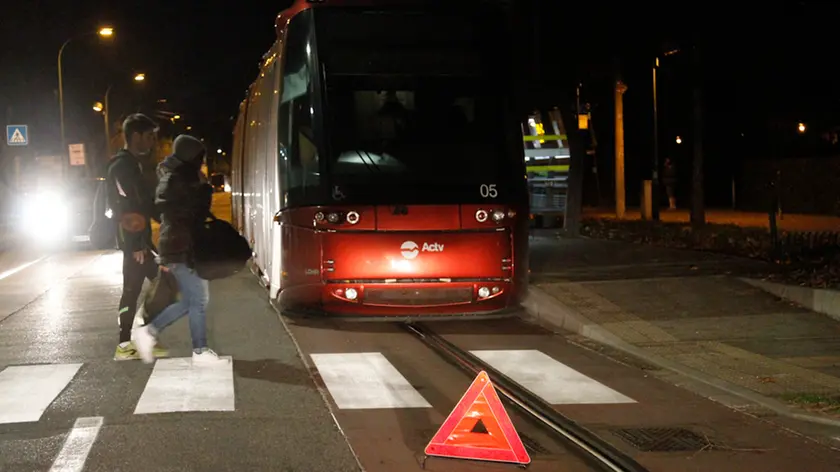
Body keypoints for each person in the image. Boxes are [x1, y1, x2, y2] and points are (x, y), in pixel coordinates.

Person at [133, 134, 226, 364]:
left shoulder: (174, 176)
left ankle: (149, 332)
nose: (202, 161)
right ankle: (199, 350)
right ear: (190, 156)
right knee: (199, 301)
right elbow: (190, 215)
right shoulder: (183, 179)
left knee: (191, 301)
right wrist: (203, 192)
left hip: (178, 245)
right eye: (200, 157)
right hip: (182, 246)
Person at [106, 113, 167, 361]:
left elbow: (144, 204)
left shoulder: (131, 165)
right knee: (135, 290)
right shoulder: (122, 166)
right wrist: (136, 244)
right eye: (149, 136)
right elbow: (126, 207)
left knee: (159, 285)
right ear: (135, 136)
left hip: (139, 239)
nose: (151, 142)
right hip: (135, 242)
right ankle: (126, 343)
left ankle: (138, 338)